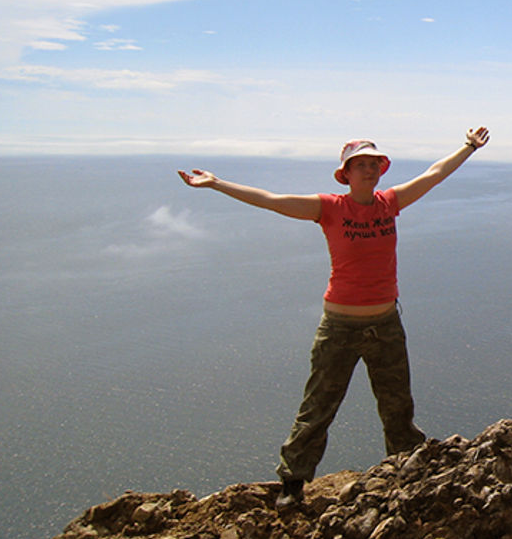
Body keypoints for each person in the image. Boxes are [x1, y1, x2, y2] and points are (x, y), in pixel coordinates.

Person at [178, 127, 490, 509]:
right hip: (339, 326)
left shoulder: (389, 203)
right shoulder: (328, 208)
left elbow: (434, 174)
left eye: (374, 163)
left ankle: (408, 471)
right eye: (361, 165)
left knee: (398, 408)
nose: (369, 170)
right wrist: (215, 184)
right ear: (346, 172)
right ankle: (292, 483)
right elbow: (271, 200)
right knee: (318, 407)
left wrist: (468, 147)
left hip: (386, 324)